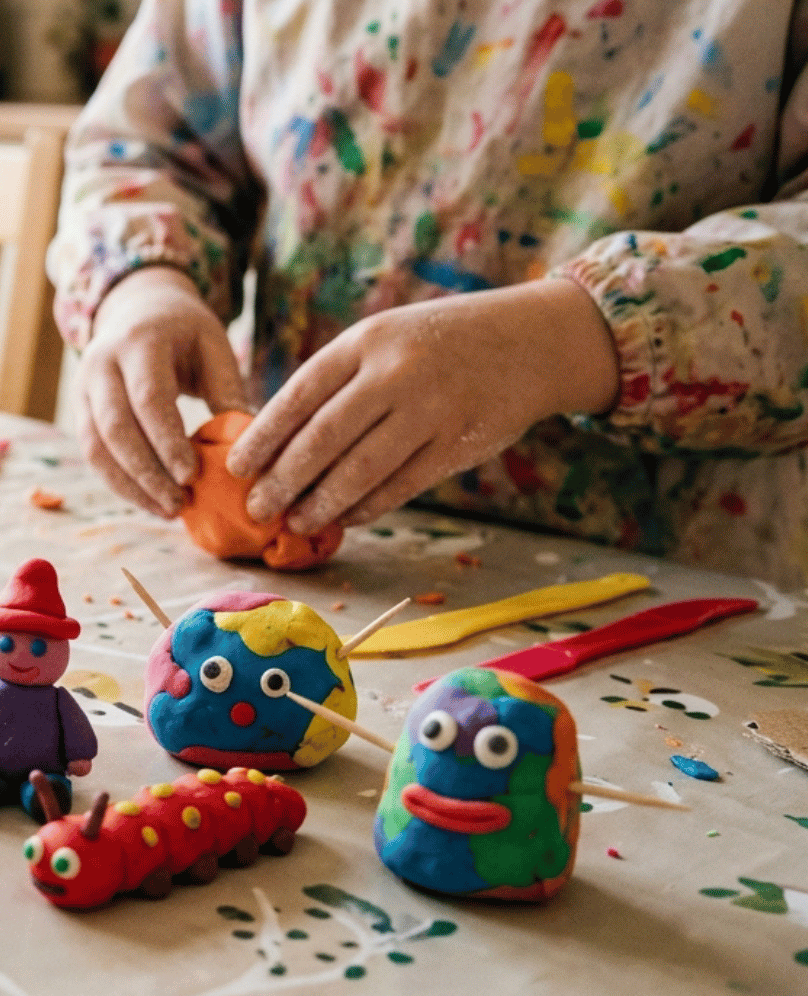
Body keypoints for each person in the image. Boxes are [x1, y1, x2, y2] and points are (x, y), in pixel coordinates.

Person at [48, 1, 808, 585]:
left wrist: (563, 341)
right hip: (305, 562)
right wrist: (141, 283)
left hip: (680, 583)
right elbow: (144, 148)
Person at [0, 558, 97, 821]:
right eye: (6, 645)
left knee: (45, 785)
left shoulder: (58, 699)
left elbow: (75, 725)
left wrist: (79, 755)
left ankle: (42, 794)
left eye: (39, 648)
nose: (22, 657)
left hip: (44, 771)